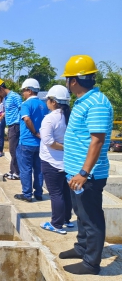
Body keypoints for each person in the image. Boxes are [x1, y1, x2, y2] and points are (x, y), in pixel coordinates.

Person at [58, 55, 113, 276]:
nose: (67, 83)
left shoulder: (97, 103)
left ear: (73, 80)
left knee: (91, 218)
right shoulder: (84, 101)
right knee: (80, 214)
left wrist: (83, 172)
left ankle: (91, 263)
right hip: (76, 173)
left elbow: (97, 140)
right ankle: (82, 247)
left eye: (68, 79)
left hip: (87, 175)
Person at [39, 85, 73, 234]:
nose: (47, 102)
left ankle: (56, 224)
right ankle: (66, 219)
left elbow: (48, 141)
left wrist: (63, 147)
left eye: (48, 99)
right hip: (66, 162)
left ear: (53, 101)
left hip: (51, 161)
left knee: (56, 193)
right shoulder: (69, 116)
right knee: (65, 192)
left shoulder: (50, 118)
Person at [14, 78, 48, 202]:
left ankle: (27, 194)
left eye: (24, 90)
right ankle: (38, 193)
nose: (23, 93)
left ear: (29, 90)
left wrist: (34, 132)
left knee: (25, 169)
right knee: (38, 169)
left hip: (27, 142)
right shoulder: (43, 105)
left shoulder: (26, 104)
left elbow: (27, 119)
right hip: (39, 143)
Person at [0, 78, 22, 179]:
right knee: (11, 149)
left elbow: (21, 109)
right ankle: (12, 170)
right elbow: (8, 111)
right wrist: (2, 116)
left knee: (14, 150)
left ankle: (17, 172)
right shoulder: (7, 98)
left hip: (16, 125)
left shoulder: (14, 96)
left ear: (1, 88)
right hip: (10, 125)